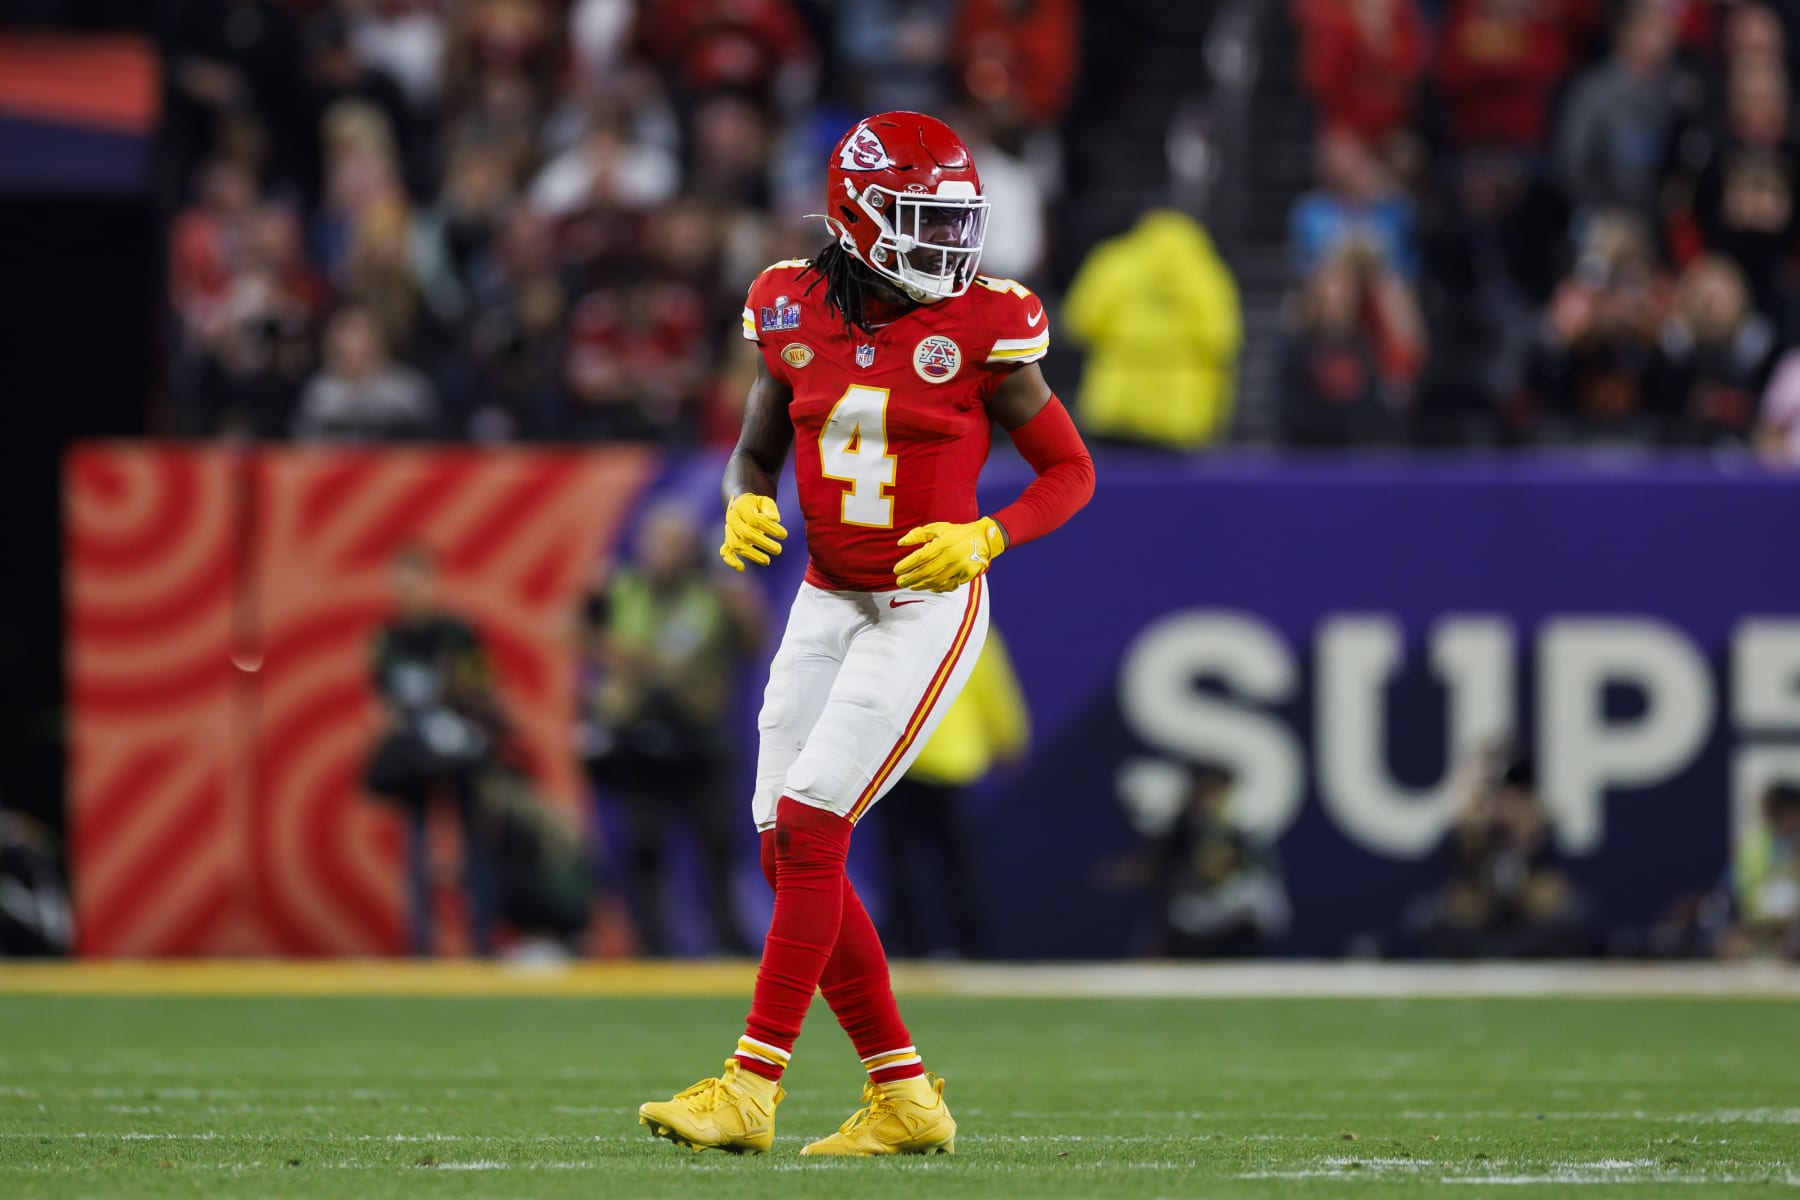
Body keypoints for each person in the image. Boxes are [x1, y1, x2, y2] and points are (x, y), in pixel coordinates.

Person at [637, 111, 1094, 1157]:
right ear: (855, 216)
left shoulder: (986, 323)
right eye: (921, 219)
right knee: (781, 843)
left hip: (923, 605)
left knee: (811, 824)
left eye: (954, 220)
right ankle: (904, 1096)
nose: (946, 242)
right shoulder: (787, 303)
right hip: (826, 594)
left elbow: (1071, 470)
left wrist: (990, 534)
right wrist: (741, 501)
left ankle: (751, 1087)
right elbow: (754, 450)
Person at [581, 500, 765, 956]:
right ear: (642, 546)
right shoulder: (620, 589)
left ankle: (727, 938)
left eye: (677, 545)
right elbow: (576, 633)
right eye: (661, 544)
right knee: (644, 842)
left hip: (698, 729)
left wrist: (746, 607)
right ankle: (652, 942)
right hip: (638, 729)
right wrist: (613, 647)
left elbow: (752, 644)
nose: (668, 553)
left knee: (717, 840)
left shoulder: (711, 593)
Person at [362, 544, 504, 957]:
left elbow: (484, 685)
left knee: (473, 845)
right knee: (418, 847)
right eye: (401, 583)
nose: (409, 591)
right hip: (414, 751)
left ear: (433, 582)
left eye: (417, 581)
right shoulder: (387, 638)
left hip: (460, 748)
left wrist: (459, 697)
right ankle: (421, 948)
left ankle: (480, 943)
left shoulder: (458, 632)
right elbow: (380, 700)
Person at [880, 629, 1030, 959]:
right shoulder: (970, 622)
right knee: (954, 860)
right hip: (947, 757)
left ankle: (911, 945)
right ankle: (970, 945)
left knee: (902, 859)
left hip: (896, 755)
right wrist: (1009, 737)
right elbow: (991, 685)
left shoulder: (891, 622)